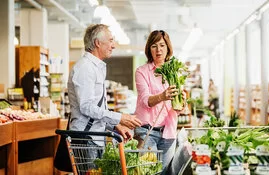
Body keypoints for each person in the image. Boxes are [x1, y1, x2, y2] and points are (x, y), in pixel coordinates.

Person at [68, 24, 142, 145]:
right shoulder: (85, 68)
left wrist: (115, 126)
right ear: (98, 43)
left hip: (95, 137)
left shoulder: (95, 67)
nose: (113, 46)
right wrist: (119, 117)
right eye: (111, 40)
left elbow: (98, 109)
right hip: (86, 138)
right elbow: (87, 107)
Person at [134, 30, 185, 172]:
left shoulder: (175, 72)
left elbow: (177, 109)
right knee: (148, 171)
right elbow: (145, 100)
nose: (158, 50)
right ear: (149, 49)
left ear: (168, 47)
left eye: (162, 45)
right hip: (146, 131)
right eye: (154, 46)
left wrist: (182, 103)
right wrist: (162, 96)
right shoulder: (142, 72)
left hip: (168, 132)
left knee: (164, 172)